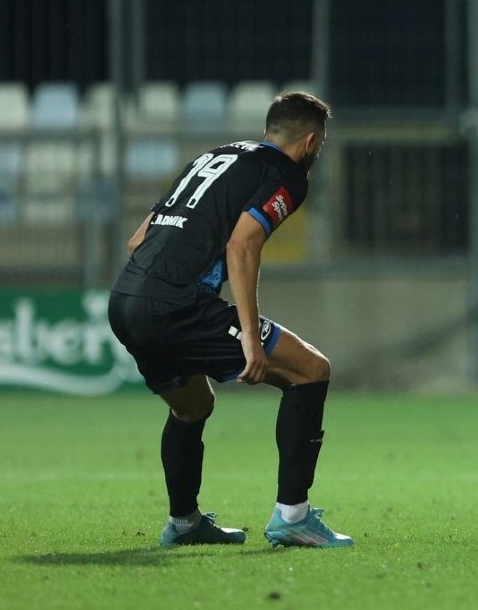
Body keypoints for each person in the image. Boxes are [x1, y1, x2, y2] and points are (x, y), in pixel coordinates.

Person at [107, 91, 354, 548]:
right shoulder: (286, 175)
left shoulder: (215, 156)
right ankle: (292, 517)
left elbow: (138, 240)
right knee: (311, 371)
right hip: (177, 304)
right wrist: (251, 343)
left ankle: (184, 523)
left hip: (126, 299)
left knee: (192, 406)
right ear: (310, 141)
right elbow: (243, 244)